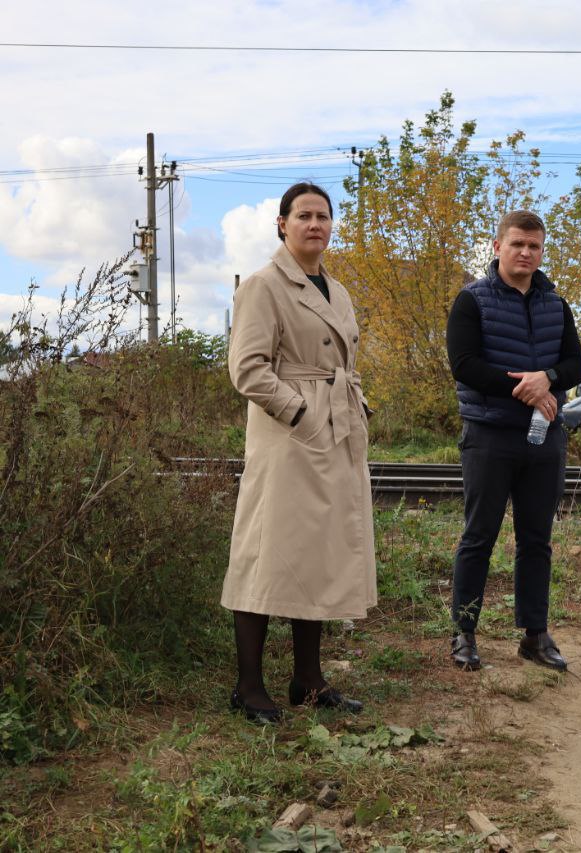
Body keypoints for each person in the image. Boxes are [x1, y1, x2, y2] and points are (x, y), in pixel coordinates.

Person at [223, 182, 374, 723]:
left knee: (320, 553)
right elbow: (247, 369)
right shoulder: (264, 286)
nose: (316, 224)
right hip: (289, 438)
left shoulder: (337, 288)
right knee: (266, 555)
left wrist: (346, 406)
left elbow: (342, 362)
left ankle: (309, 682)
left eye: (324, 216)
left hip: (335, 431)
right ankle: (248, 686)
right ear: (281, 224)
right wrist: (301, 412)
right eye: (304, 215)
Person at [446, 210, 581, 673]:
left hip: (544, 438)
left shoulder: (556, 305)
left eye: (534, 246)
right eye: (517, 244)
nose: (526, 253)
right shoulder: (473, 301)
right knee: (478, 537)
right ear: (497, 247)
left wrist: (547, 378)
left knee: (536, 541)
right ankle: (464, 633)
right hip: (488, 435)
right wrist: (525, 388)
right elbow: (464, 364)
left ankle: (534, 635)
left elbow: (575, 365)